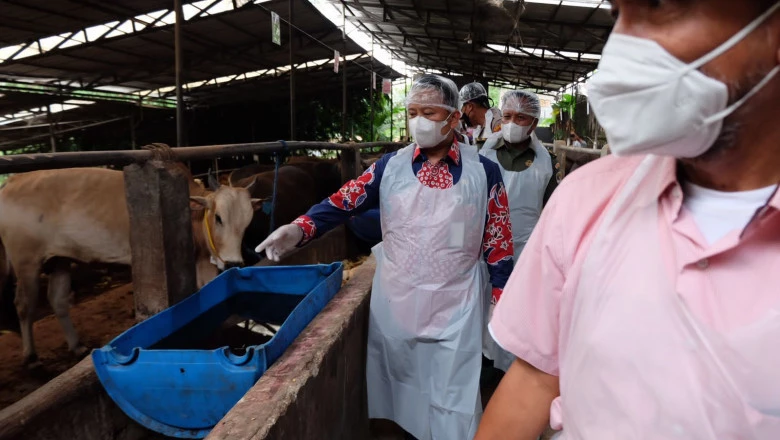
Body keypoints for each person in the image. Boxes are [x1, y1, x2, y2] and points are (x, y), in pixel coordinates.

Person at [476, 0, 780, 438]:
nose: (621, 47)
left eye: (662, 6)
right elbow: (536, 379)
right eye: (619, 14)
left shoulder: (550, 166)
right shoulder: (586, 200)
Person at [256, 74, 514, 440]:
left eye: (430, 112)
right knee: (401, 390)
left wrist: (501, 296)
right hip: (399, 301)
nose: (419, 121)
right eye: (412, 112)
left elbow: (498, 239)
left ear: (454, 118)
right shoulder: (388, 167)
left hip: (456, 303)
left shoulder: (483, 173)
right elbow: (342, 202)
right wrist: (300, 228)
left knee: (454, 396)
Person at [479, 90, 558, 374]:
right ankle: (484, 365)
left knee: (516, 309)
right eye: (507, 116)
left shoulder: (545, 162)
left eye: (520, 117)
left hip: (526, 249)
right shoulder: (484, 153)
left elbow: (552, 210)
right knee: (484, 304)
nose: (512, 123)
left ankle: (509, 369)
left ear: (533, 123)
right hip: (486, 246)